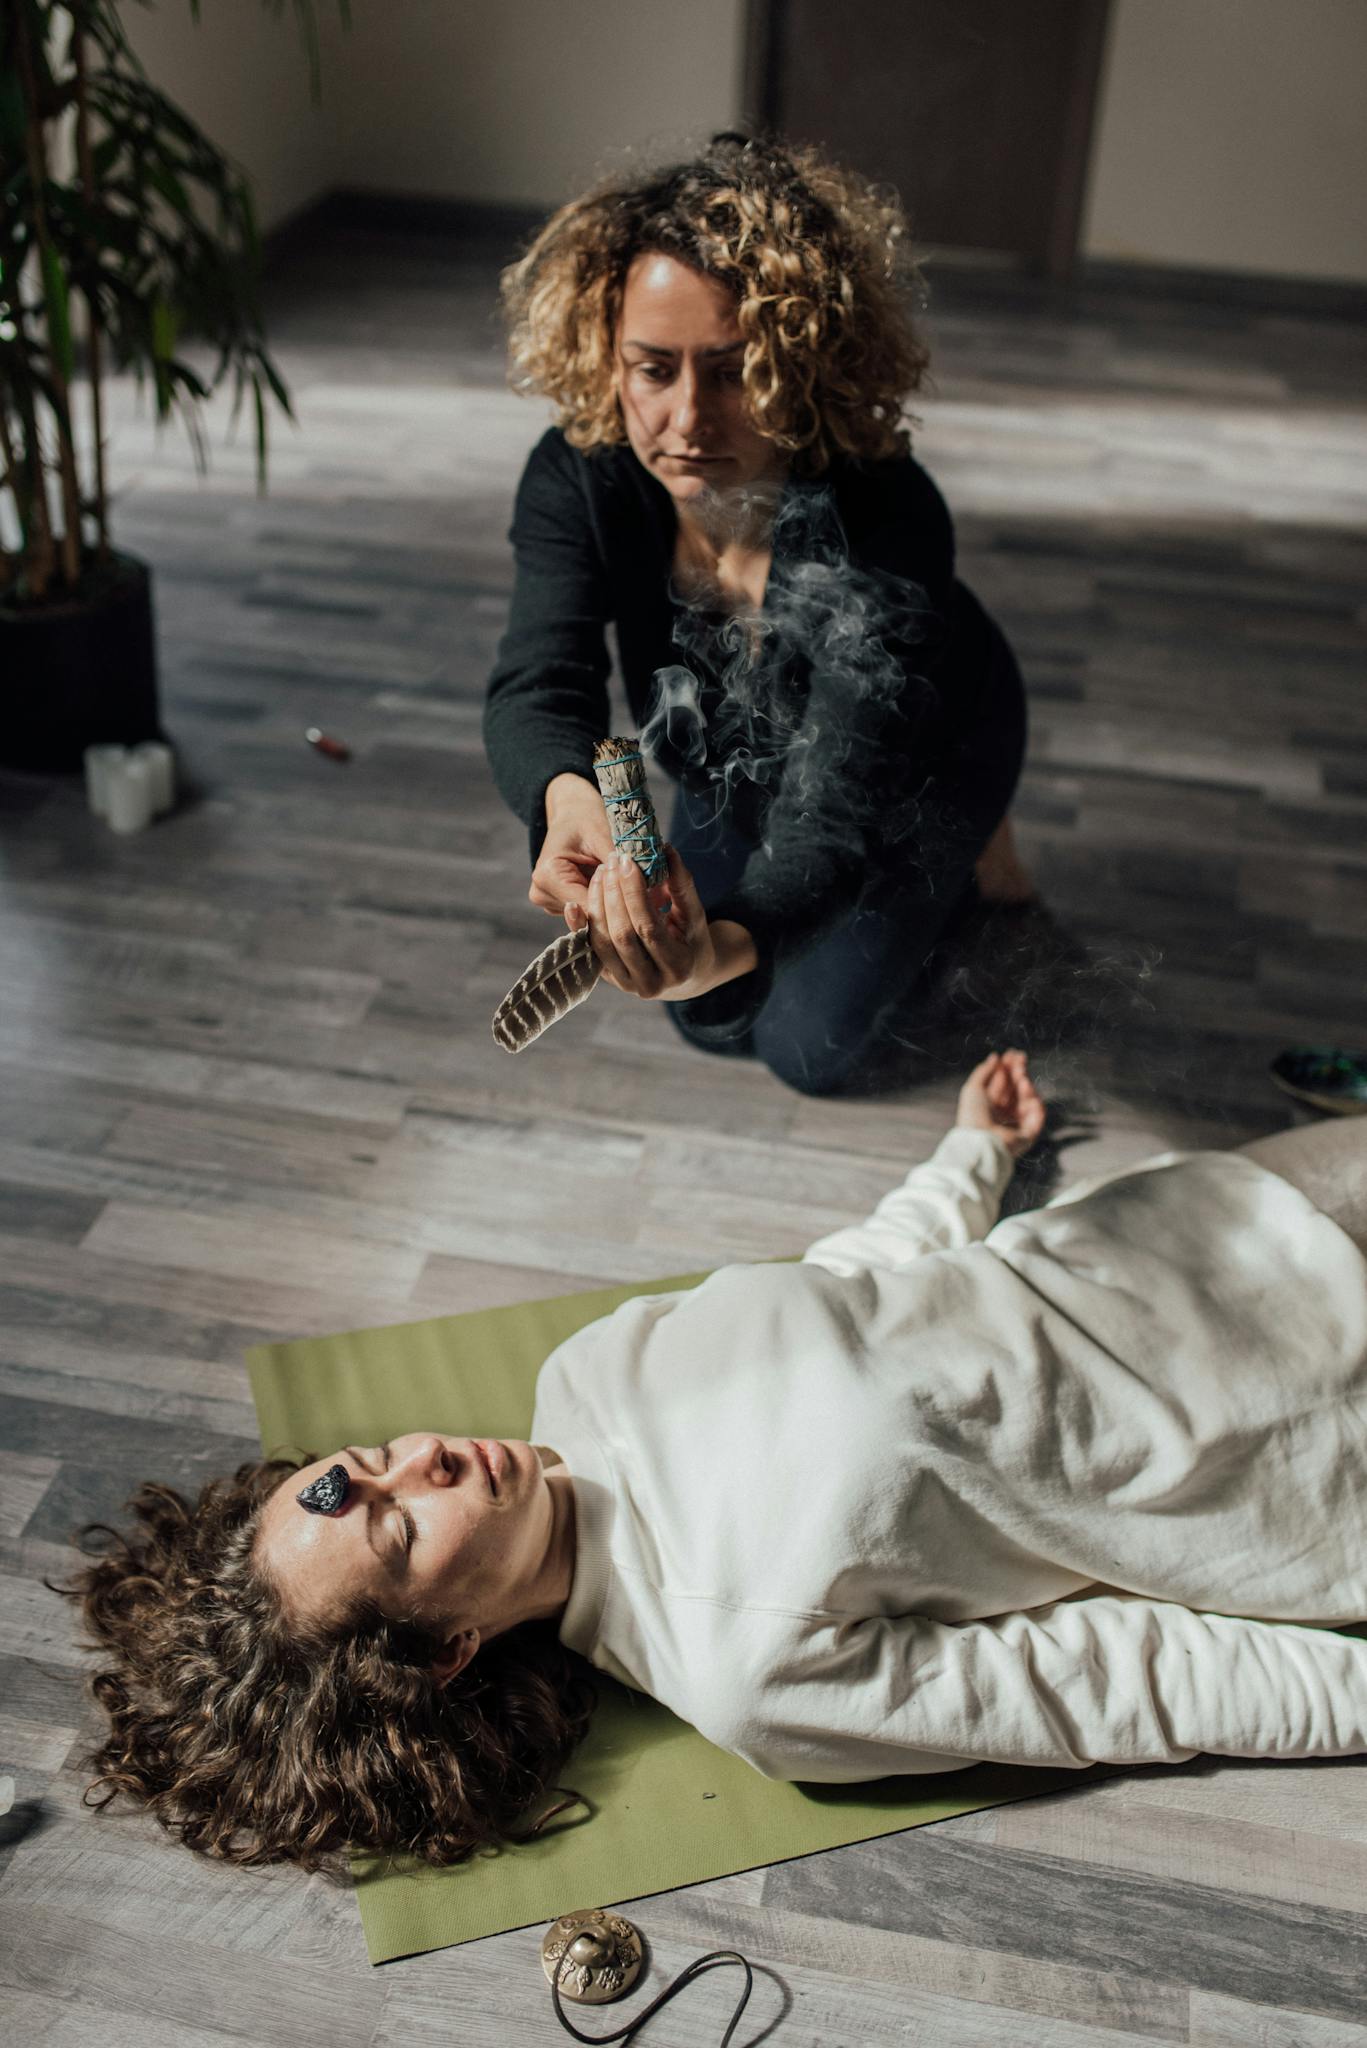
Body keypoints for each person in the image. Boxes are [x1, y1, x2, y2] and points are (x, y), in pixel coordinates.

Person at [64, 1054, 1367, 1870]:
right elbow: (1124, 1684)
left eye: (373, 1464)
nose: (423, 1464)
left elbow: (845, 1281)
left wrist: (969, 1156)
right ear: (447, 1649)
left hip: (1214, 1221)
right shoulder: (743, 1669)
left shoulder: (580, 1375)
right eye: (399, 1531)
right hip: (1311, 1437)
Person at [484, 134, 1033, 1096]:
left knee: (805, 1052)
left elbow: (832, 813)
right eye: (652, 369)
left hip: (915, 752)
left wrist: (710, 949)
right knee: (713, 1022)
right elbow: (541, 673)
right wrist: (564, 800)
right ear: (605, 353)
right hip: (747, 744)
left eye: (733, 371)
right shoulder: (581, 473)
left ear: (807, 359)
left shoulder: (890, 515)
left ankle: (968, 851)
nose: (688, 420)